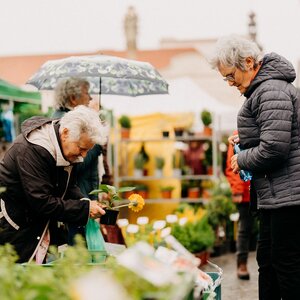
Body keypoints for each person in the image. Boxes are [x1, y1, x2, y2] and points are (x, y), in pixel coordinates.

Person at [210, 34, 300, 299]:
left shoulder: (270, 90)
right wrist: (246, 140)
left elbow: (275, 148)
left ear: (248, 62)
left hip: (287, 198)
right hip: (278, 196)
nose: (229, 83)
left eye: (230, 76)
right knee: (269, 262)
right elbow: (276, 134)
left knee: (285, 267)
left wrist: (242, 158)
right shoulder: (266, 89)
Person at [0, 105, 107, 263]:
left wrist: (85, 202)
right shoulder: (32, 150)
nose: (83, 156)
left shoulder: (67, 147)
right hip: (14, 227)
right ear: (65, 133)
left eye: (88, 150)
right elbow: (41, 201)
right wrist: (84, 209)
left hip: (36, 226)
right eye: (81, 148)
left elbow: (69, 186)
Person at [52, 77, 112, 244]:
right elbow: (77, 162)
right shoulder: (66, 122)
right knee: (76, 248)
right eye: (87, 93)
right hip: (74, 200)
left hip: (82, 197)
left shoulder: (77, 121)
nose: (91, 98)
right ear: (73, 98)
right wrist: (96, 141)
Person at [226, 130, 254, 280]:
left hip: (264, 189)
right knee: (245, 228)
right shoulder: (237, 134)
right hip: (245, 192)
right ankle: (241, 264)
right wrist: (237, 190)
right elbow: (232, 165)